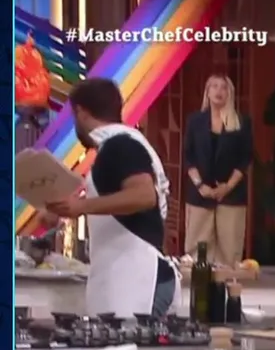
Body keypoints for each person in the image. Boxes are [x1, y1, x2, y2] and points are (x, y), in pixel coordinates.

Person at [45, 79, 181, 317]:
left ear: (81, 112)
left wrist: (82, 206)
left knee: (130, 342)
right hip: (131, 274)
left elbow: (144, 195)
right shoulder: (123, 144)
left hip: (136, 278)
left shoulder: (120, 145)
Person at [183, 75, 253, 265]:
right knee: (197, 253)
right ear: (207, 92)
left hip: (231, 195)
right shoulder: (195, 121)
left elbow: (245, 158)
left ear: (230, 93)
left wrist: (227, 187)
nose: (218, 91)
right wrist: (200, 185)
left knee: (229, 252)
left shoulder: (241, 122)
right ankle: (199, 282)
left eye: (223, 87)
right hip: (200, 194)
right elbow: (188, 156)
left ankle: (227, 282)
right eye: (214, 86)